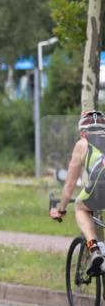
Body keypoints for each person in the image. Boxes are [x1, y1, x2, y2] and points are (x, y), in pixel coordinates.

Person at [51, 110, 105, 272]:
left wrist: (61, 209)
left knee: (80, 207)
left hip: (100, 188)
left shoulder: (82, 144)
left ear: (83, 132)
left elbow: (70, 184)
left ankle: (94, 249)